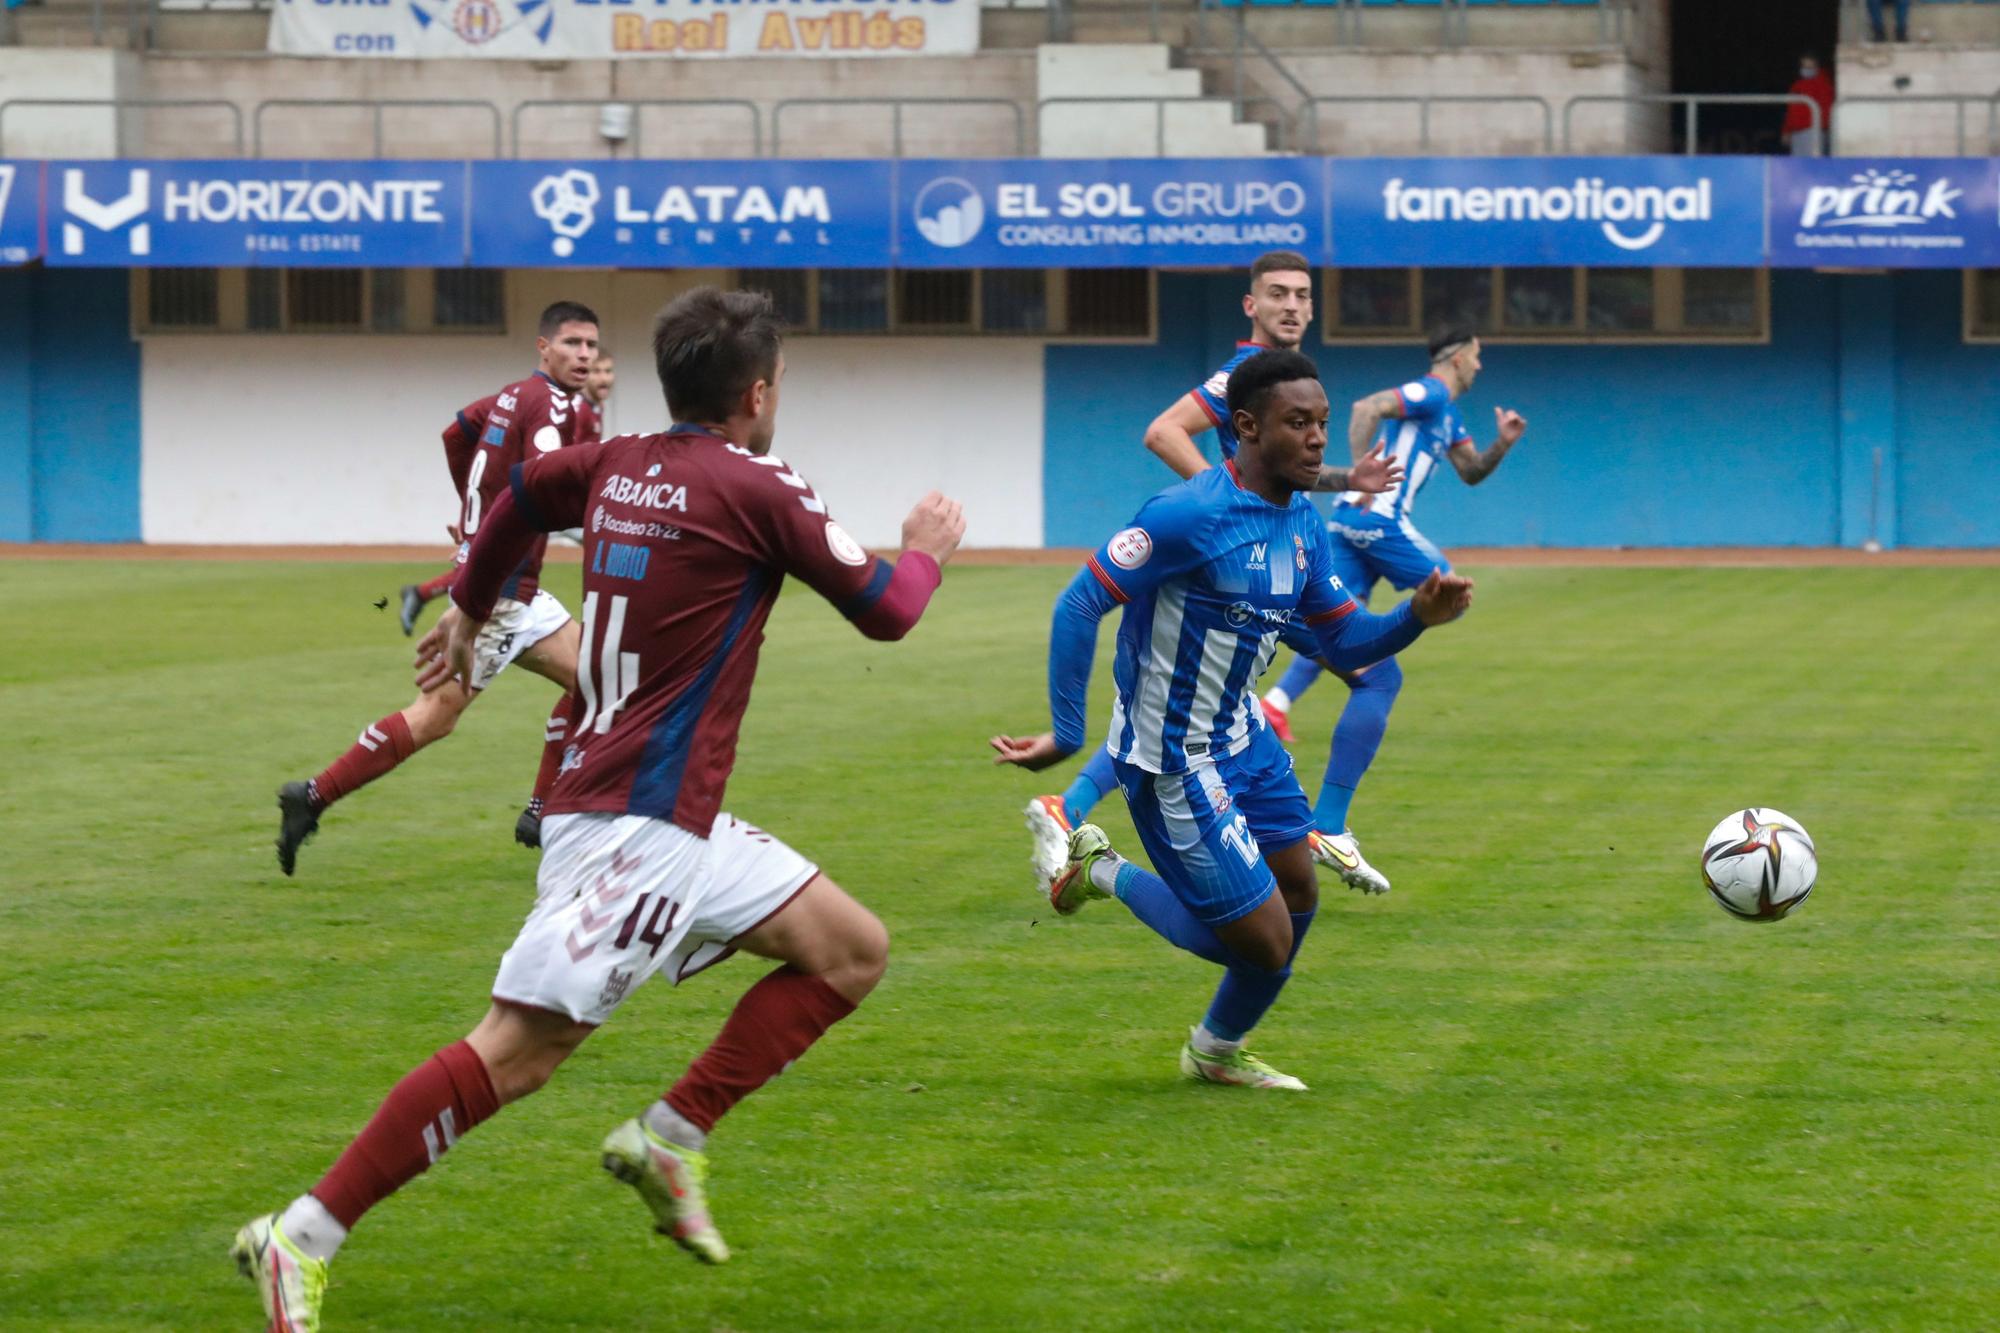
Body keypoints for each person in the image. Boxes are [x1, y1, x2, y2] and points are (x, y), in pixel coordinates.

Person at [235, 286, 965, 1329]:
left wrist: (470, 607)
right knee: (517, 1051)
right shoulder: (758, 485)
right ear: (756, 393)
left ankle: (667, 1137)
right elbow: (890, 610)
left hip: (669, 815)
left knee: (850, 949)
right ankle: (298, 1237)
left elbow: (515, 500)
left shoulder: (616, 461)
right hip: (633, 828)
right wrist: (926, 541)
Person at [991, 350, 1471, 1090]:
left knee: (1300, 892)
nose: (1318, 438)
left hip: (1245, 740)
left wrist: (1414, 617)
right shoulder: (1188, 514)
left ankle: (1215, 1051)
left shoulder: (1304, 525)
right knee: (1260, 942)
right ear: (1246, 426)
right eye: (1298, 423)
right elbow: (1079, 601)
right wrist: (1066, 731)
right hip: (1173, 761)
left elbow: (1344, 640)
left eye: (1322, 422)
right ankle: (1098, 868)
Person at [1021, 251, 1402, 899]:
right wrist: (1224, 515)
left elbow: (1276, 480)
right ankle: (1326, 826)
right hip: (1247, 575)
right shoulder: (1240, 378)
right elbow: (1164, 431)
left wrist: (1343, 481)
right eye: (1277, 293)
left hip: (1272, 567)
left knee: (1188, 710)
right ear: (1251, 305)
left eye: (1302, 295)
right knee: (1364, 675)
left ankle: (1073, 809)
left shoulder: (1279, 380)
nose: (1291, 305)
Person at [276, 301, 600, 876]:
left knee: (595, 680)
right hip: (500, 594)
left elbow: (457, 434)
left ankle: (541, 810)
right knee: (435, 716)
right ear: (543, 347)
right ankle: (312, 795)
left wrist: (473, 519)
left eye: (590, 346)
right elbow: (545, 483)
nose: (583, 355)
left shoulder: (508, 396)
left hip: (511, 586)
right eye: (571, 343)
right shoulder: (552, 404)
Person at [1258, 325, 1525, 893]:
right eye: (1476, 356)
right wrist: (1362, 480)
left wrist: (1503, 441)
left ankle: (1274, 703)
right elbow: (1366, 407)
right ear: (1456, 359)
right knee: (1449, 594)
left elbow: (1471, 471)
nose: (1480, 366)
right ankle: (1326, 819)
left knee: (1339, 632)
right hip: (1375, 520)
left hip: (1354, 528)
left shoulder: (1448, 415)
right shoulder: (1430, 392)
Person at [1785, 53, 1835, 156]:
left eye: (1810, 67)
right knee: (1797, 164)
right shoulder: (1797, 85)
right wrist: (1787, 130)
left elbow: (1826, 110)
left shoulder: (1824, 84)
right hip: (1797, 132)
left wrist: (1822, 127)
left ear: (1817, 67)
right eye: (1804, 66)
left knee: (1813, 164)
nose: (1806, 69)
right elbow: (1791, 111)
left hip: (1815, 131)